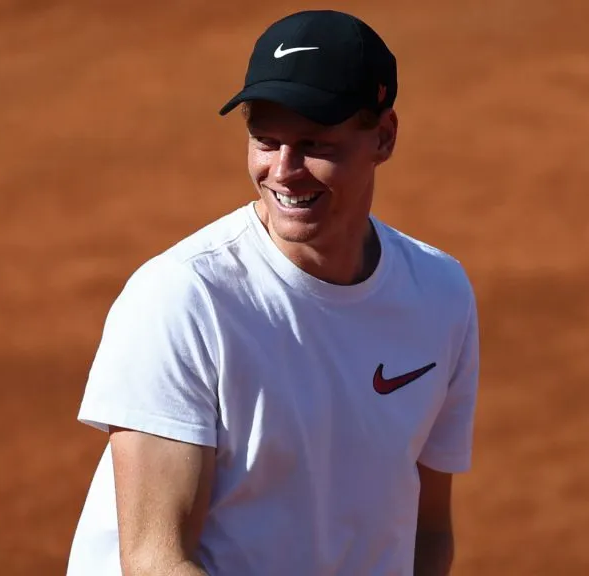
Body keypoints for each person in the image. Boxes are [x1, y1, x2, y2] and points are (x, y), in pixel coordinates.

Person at [65, 9, 480, 576]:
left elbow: (428, 529)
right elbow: (156, 559)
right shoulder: (183, 299)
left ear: (382, 137)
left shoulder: (440, 294)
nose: (283, 171)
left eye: (314, 144)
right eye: (265, 140)